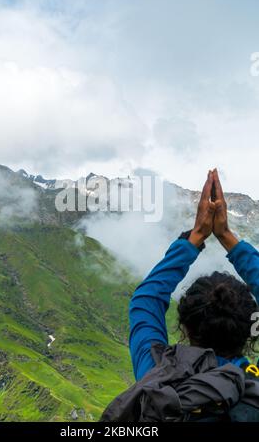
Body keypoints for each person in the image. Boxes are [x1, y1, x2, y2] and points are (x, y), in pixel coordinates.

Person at [100, 169, 259, 422]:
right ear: (252, 328)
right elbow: (146, 300)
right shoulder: (254, 385)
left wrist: (195, 236)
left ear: (184, 325)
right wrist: (227, 236)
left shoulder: (157, 374)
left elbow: (146, 301)